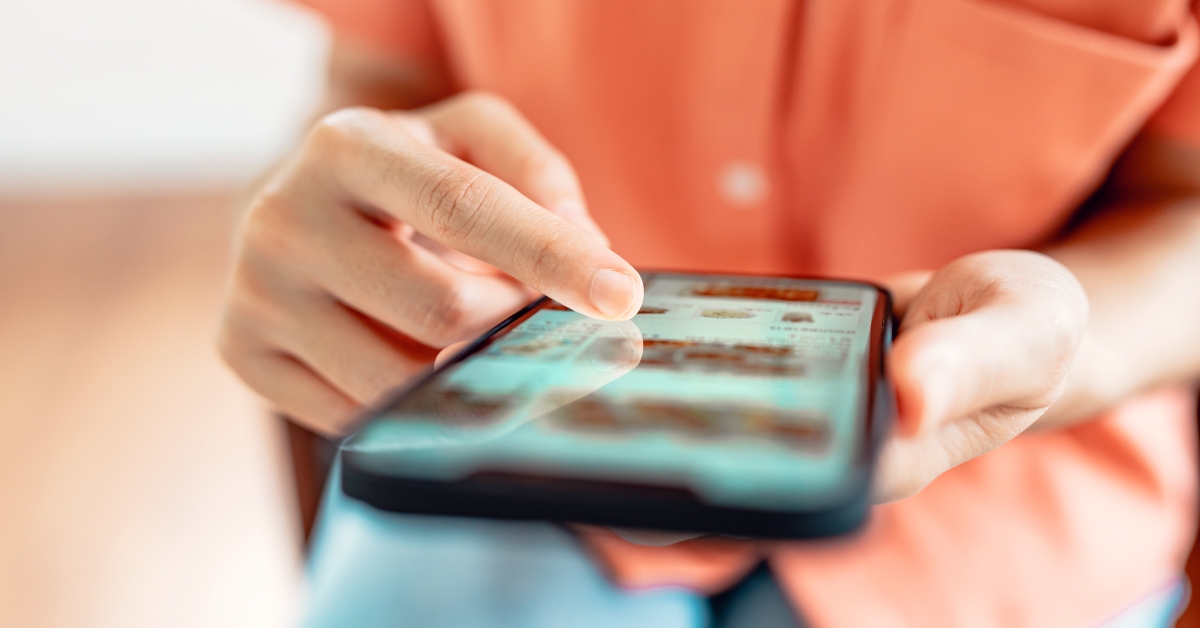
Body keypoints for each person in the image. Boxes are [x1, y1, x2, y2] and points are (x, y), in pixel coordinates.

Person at [217, 1, 1200, 626]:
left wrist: (1076, 337)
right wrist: (360, 220)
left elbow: (1183, 198)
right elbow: (387, 83)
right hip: (525, 413)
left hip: (1017, 492)